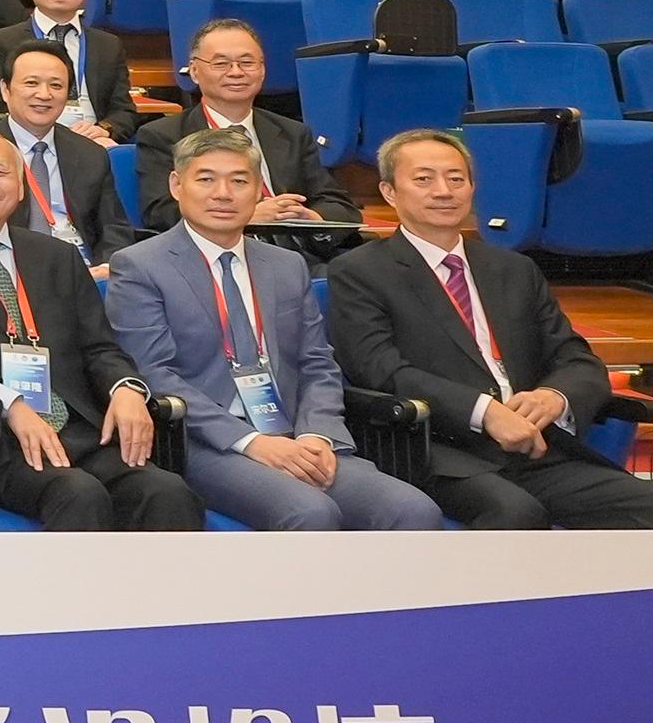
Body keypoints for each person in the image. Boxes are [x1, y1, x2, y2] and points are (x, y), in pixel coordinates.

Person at [327, 129, 653, 529]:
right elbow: (381, 371)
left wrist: (555, 396)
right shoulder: (360, 272)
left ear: (473, 187)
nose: (443, 191)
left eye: (456, 178)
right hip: (441, 450)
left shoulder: (513, 269)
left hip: (538, 447)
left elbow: (575, 357)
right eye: (423, 179)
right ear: (389, 192)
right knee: (516, 513)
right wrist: (484, 412)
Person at [110, 129, 444, 531]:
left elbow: (318, 363)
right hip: (209, 443)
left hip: (298, 435)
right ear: (177, 186)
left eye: (239, 181)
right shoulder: (140, 266)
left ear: (257, 191)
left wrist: (317, 434)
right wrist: (252, 442)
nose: (223, 193)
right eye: (206, 179)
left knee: (412, 509)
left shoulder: (286, 265)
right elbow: (155, 374)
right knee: (310, 513)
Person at [0, 126, 201, 531]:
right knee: (77, 493)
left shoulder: (58, 257)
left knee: (166, 490)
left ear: (20, 188)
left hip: (78, 428)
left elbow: (100, 348)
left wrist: (126, 389)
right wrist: (5, 400)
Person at [133, 18, 355, 230]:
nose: (236, 72)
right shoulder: (163, 135)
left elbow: (338, 205)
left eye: (247, 63)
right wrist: (247, 217)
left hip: (291, 251)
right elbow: (160, 214)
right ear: (194, 71)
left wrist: (308, 217)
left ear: (262, 70)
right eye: (221, 64)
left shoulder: (293, 133)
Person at [0, 39, 136, 271]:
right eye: (31, 83)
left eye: (56, 86)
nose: (44, 94)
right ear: (5, 90)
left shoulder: (90, 154)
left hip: (83, 268)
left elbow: (113, 228)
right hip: (14, 268)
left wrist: (108, 265)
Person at [0, 0, 142, 145]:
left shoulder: (108, 44)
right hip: (28, 140)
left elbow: (124, 111)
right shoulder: (0, 42)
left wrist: (104, 130)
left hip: (91, 141)